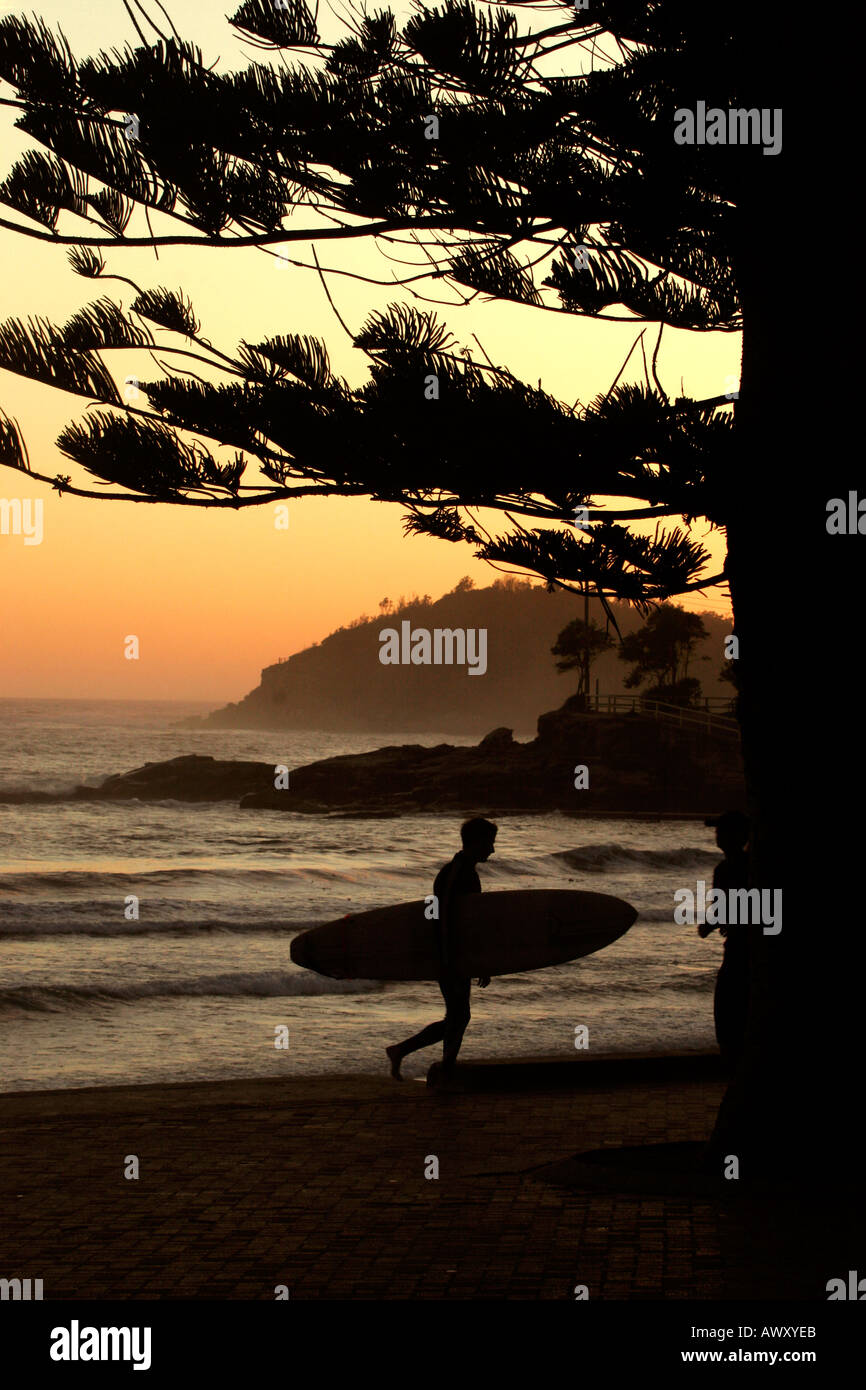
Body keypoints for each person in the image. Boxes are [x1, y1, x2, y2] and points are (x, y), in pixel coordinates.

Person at [386, 817, 498, 1084]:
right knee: (459, 1015)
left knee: (459, 1016)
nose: (492, 850)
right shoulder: (455, 873)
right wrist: (449, 960)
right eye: (490, 843)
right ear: (476, 843)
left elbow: (468, 921)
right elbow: (442, 917)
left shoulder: (466, 871)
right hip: (449, 956)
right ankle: (423, 1058)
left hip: (458, 956)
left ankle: (434, 1062)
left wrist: (478, 961)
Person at [698, 810, 751, 1068]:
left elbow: (724, 908)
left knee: (728, 1012)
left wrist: (707, 925)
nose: (717, 836)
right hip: (744, 946)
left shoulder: (727, 869)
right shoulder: (751, 865)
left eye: (721, 831)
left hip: (740, 949)